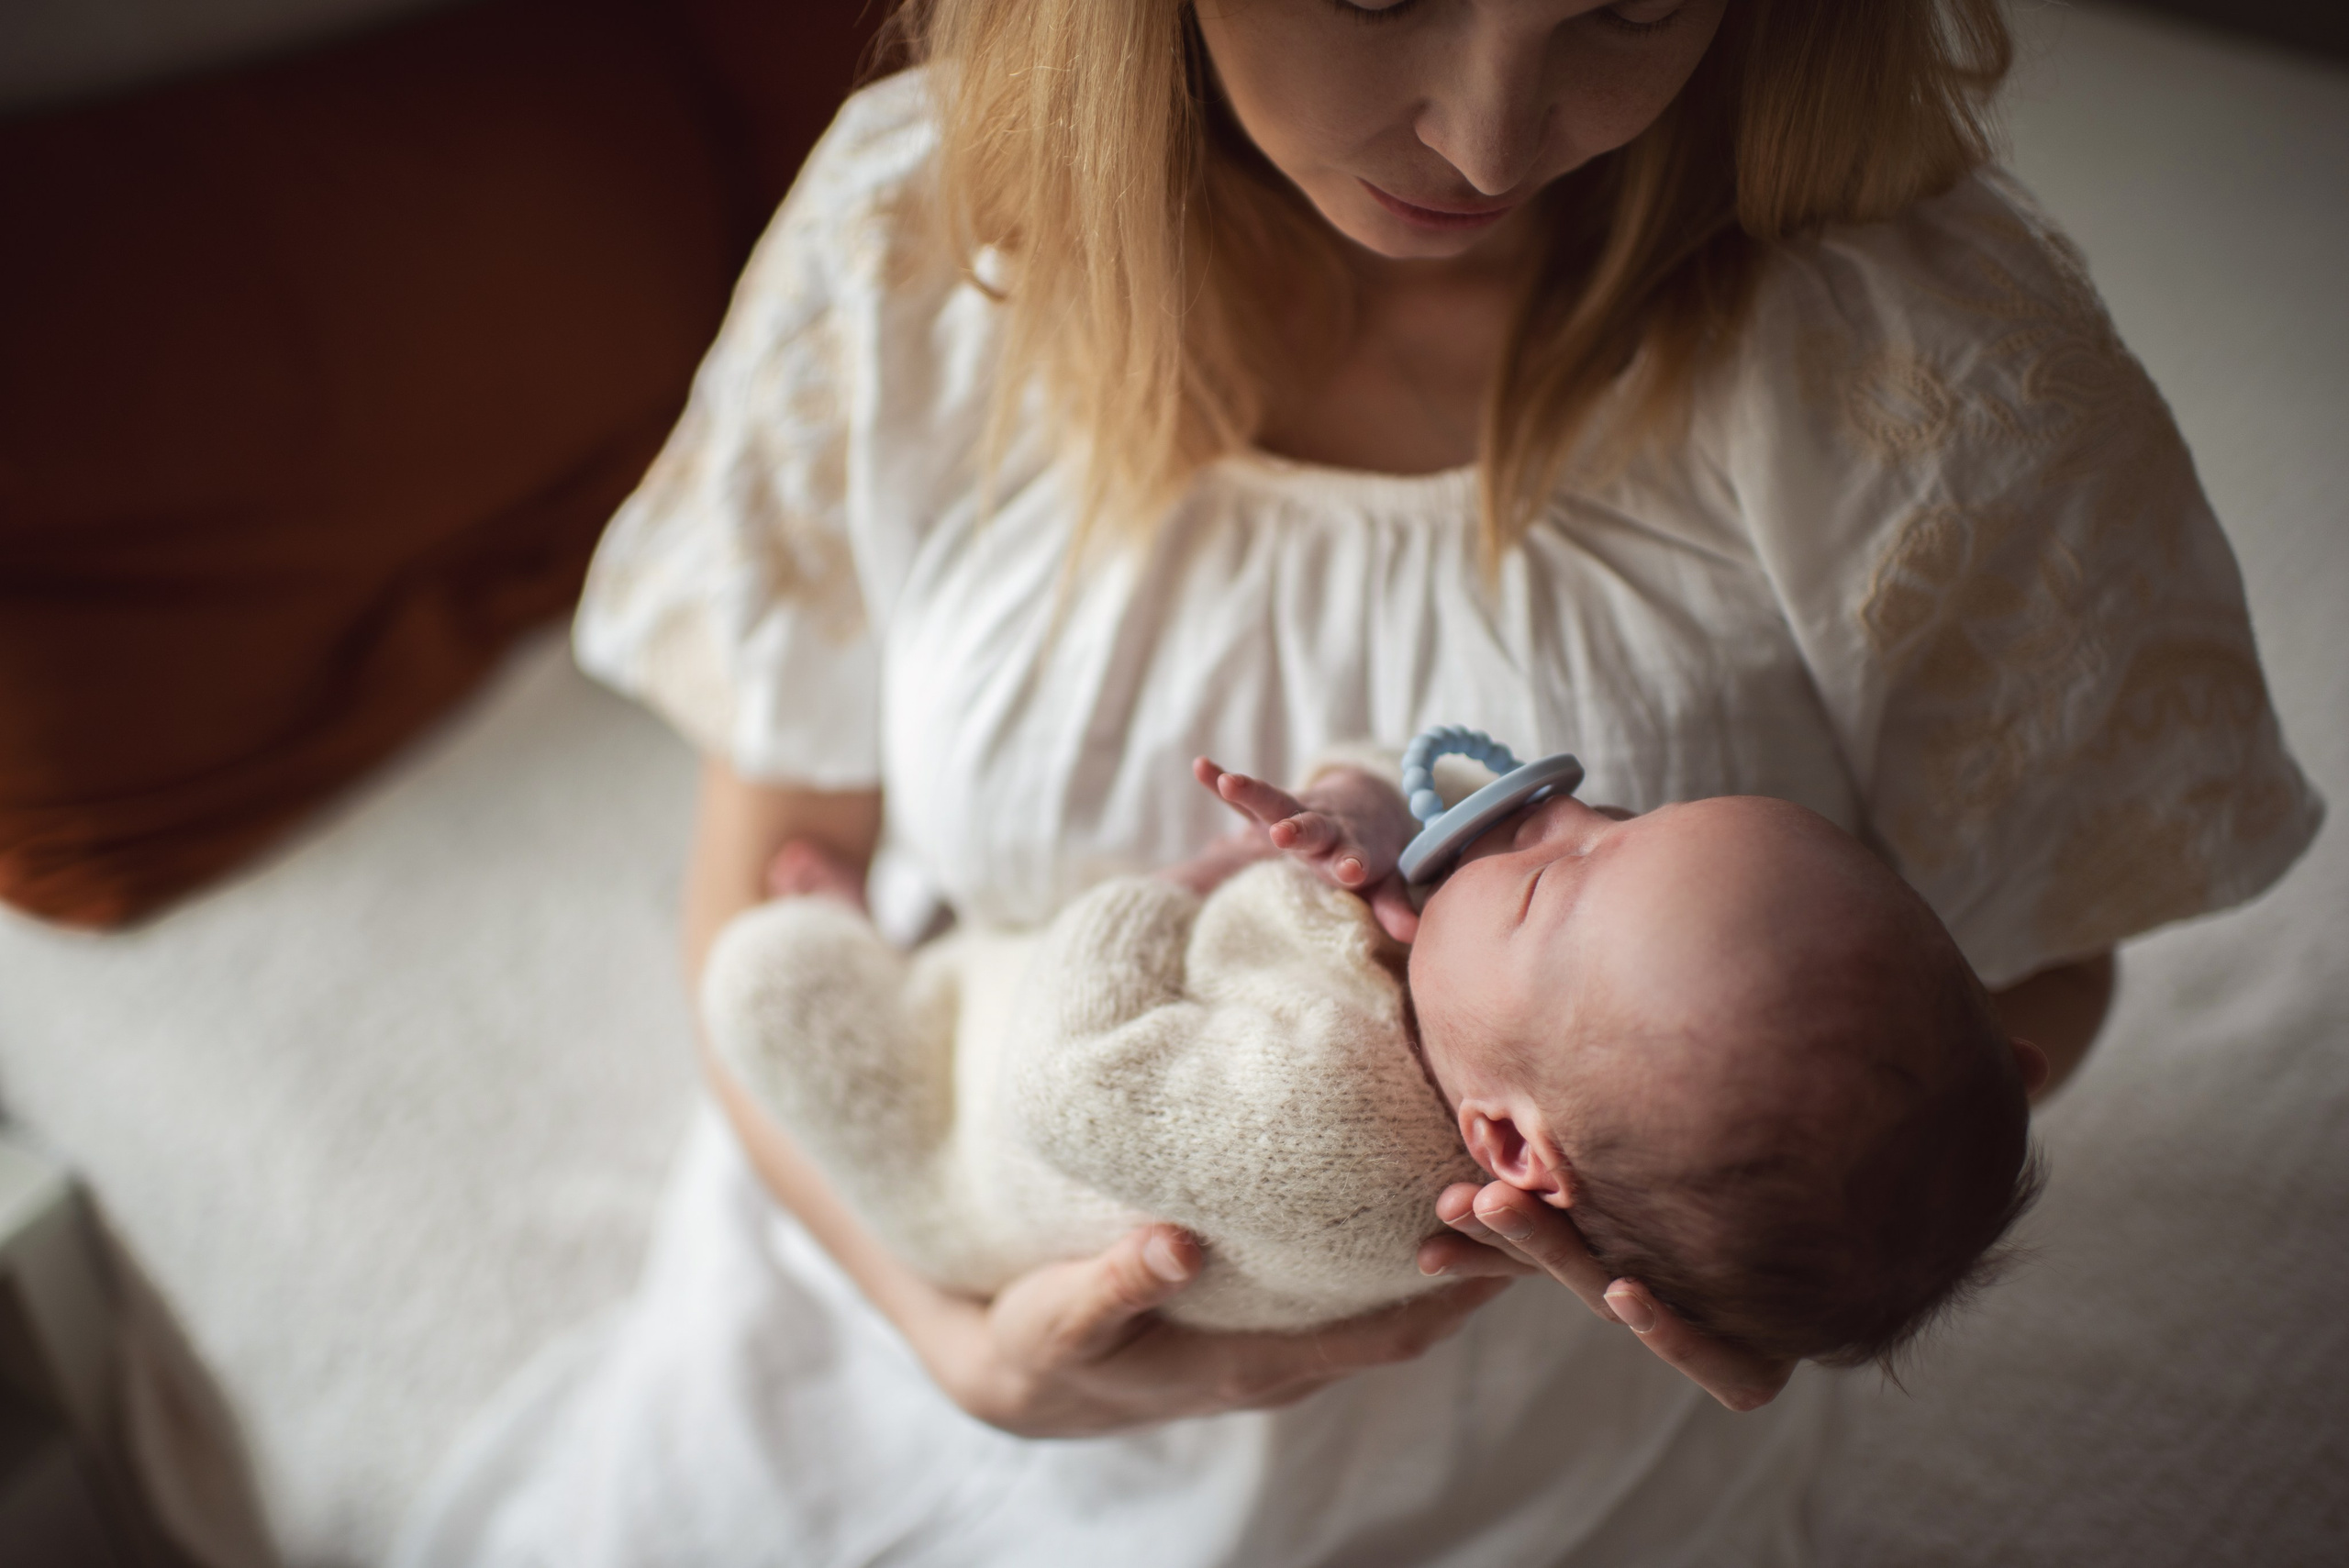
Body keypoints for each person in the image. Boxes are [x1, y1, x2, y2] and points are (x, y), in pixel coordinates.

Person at [395, 1, 2321, 1562]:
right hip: (889, 1286)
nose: (1490, 137)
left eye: (1628, 6)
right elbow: (773, 875)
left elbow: (2029, 978)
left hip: (1520, 1477)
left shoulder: (1920, 356)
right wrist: (953, 1345)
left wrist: (1760, 1249)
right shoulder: (923, 236)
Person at [705, 748, 2043, 1362]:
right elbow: (1369, 870)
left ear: (1509, 1144)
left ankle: (851, 948)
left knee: (765, 987)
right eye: (1622, 813)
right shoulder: (1508, 1031)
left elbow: (1068, 1082)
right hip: (1060, 1018)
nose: (1552, 808)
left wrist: (1190, 880)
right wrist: (1353, 821)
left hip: (962, 1122)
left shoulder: (1333, 1130)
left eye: (1541, 882)